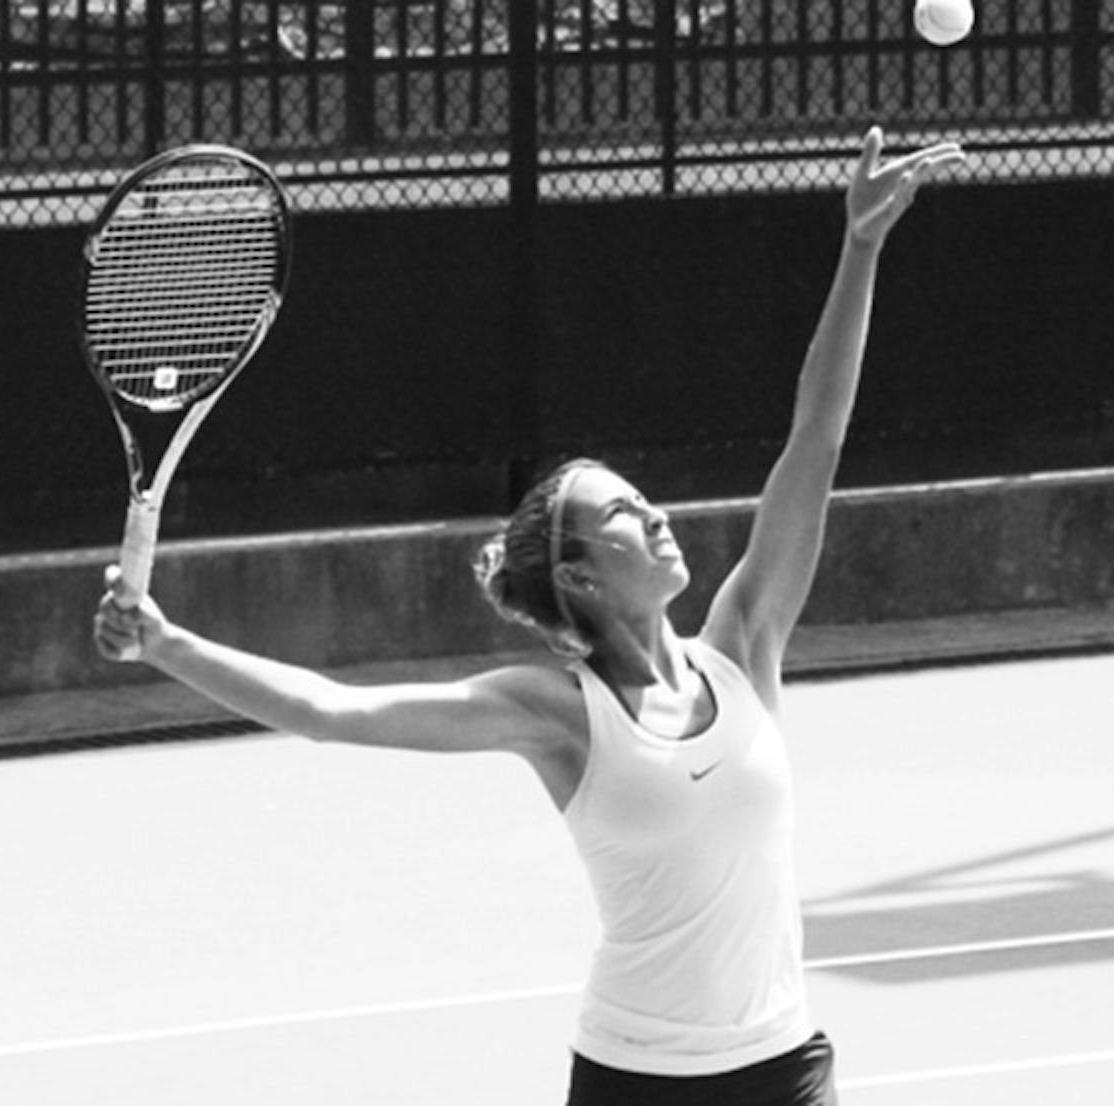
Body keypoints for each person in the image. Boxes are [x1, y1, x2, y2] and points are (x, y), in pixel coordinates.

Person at [94, 128, 965, 1106]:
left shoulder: (745, 642)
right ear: (582, 577)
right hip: (636, 1080)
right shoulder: (556, 712)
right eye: (624, 517)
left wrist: (858, 249)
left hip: (784, 1064)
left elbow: (818, 432)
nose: (657, 515)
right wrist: (167, 643)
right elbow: (337, 710)